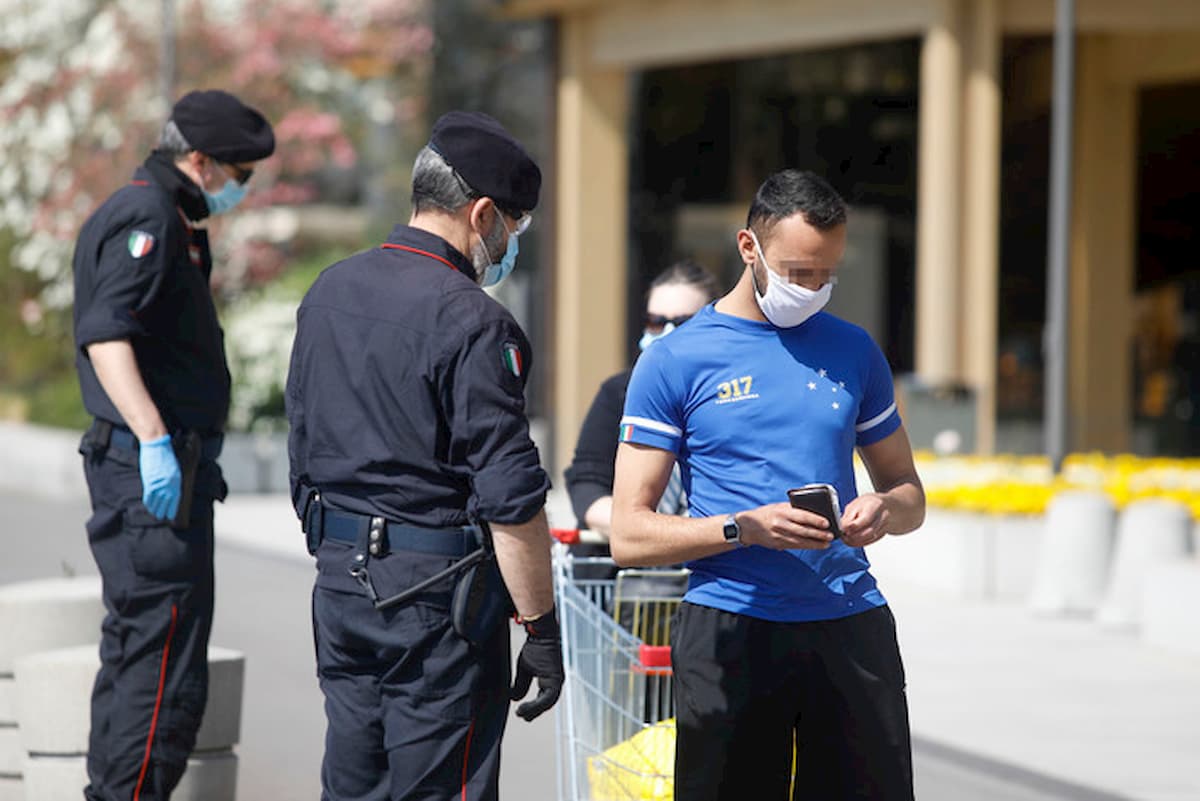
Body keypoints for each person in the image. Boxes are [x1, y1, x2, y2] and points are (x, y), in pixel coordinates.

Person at [610, 169, 925, 801]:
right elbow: (628, 534)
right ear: (748, 248)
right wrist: (742, 527)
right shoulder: (675, 360)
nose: (811, 288)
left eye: (826, 274)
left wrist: (884, 508)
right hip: (732, 627)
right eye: (796, 271)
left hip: (849, 621)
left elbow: (909, 491)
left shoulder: (854, 350)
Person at [285, 110, 563, 801]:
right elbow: (512, 500)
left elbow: (303, 446)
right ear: (484, 214)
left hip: (341, 584)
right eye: (516, 228)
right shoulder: (473, 321)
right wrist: (542, 627)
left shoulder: (329, 291)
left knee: (354, 784)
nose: (511, 243)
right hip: (437, 603)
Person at [71, 90, 275, 800]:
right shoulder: (146, 215)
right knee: (157, 676)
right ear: (200, 161)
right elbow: (106, 333)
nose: (240, 190)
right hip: (148, 475)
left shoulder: (172, 217)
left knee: (149, 658)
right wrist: (153, 438)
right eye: (238, 175)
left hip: (163, 477)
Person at [564, 261, 719, 536]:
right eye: (656, 322)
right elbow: (587, 485)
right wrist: (651, 532)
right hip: (621, 571)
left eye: (684, 323)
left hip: (705, 563)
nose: (668, 334)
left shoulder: (732, 397)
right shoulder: (619, 392)